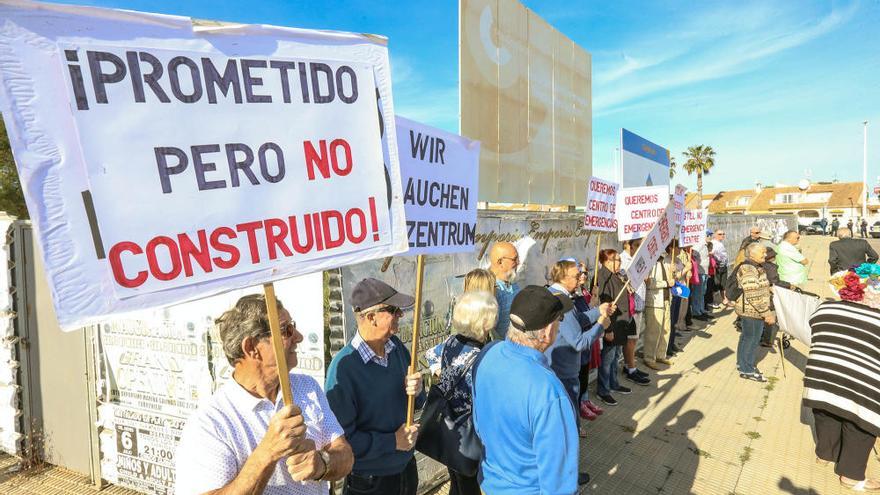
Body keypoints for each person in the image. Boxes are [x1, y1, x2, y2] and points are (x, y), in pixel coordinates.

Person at [176, 295, 354, 495]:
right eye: (286, 330)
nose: (299, 337)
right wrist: (268, 452)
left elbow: (345, 454)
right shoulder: (211, 422)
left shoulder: (307, 387)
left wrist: (323, 463)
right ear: (251, 348)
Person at [472, 285, 580, 494]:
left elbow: (478, 424)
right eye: (560, 320)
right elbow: (560, 479)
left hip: (489, 482)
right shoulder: (549, 391)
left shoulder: (488, 353)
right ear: (547, 332)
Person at [325, 278, 425, 495]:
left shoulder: (396, 348)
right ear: (371, 317)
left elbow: (416, 402)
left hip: (406, 470)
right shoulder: (344, 368)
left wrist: (418, 390)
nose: (401, 315)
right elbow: (341, 440)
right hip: (370, 481)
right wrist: (392, 442)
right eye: (394, 310)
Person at [805, 266, 880, 491]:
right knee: (860, 426)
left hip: (821, 375)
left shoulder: (825, 307)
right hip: (860, 383)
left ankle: (825, 455)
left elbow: (814, 326)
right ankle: (850, 475)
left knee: (826, 414)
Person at [424, 291, 497, 495]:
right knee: (468, 485)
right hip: (469, 431)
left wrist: (442, 372)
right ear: (483, 321)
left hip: (448, 427)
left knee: (457, 480)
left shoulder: (452, 342)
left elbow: (430, 355)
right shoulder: (483, 354)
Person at [545, 260, 613, 422]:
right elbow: (579, 342)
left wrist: (599, 311)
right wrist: (600, 326)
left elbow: (577, 319)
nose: (581, 279)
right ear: (563, 277)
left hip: (557, 366)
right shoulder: (562, 302)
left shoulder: (558, 295)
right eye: (577, 276)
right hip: (564, 372)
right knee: (569, 419)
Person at [595, 249, 634, 406]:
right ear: (607, 261)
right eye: (617, 260)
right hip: (613, 323)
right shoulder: (602, 277)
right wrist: (608, 329)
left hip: (622, 323)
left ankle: (613, 383)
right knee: (607, 358)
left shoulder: (617, 275)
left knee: (616, 356)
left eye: (619, 259)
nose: (620, 262)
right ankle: (603, 390)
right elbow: (604, 304)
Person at [733, 243, 776, 382]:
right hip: (752, 311)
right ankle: (747, 369)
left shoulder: (757, 267)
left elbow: (758, 286)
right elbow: (752, 294)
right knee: (752, 340)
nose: (765, 255)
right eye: (762, 253)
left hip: (752, 310)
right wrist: (766, 313)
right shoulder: (749, 269)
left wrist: (769, 289)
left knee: (746, 338)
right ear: (752, 254)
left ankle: (742, 364)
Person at [620, 239, 651, 386]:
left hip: (639, 303)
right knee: (630, 338)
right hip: (630, 305)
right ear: (628, 244)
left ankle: (629, 365)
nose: (640, 248)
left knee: (634, 338)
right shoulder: (623, 260)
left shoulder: (636, 258)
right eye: (637, 245)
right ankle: (631, 369)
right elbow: (624, 282)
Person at [643, 245, 675, 370]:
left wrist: (673, 272)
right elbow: (649, 283)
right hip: (655, 301)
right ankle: (649, 357)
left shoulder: (665, 262)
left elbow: (672, 279)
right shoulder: (650, 263)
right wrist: (666, 283)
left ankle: (661, 354)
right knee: (653, 331)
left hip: (666, 300)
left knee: (666, 329)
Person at [760, 247, 793, 348]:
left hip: (760, 294)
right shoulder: (771, 267)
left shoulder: (759, 265)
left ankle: (764, 336)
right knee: (772, 316)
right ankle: (768, 340)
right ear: (771, 257)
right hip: (769, 294)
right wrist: (789, 285)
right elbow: (775, 282)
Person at [488, 242, 521, 340]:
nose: (518, 262)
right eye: (514, 259)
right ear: (500, 262)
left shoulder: (513, 283)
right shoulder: (492, 290)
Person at [711, 230, 729, 306]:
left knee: (723, 283)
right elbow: (711, 253)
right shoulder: (713, 243)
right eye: (719, 234)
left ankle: (725, 299)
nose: (722, 235)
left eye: (723, 234)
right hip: (717, 266)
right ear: (715, 235)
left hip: (723, 265)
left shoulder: (720, 243)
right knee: (716, 284)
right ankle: (714, 301)